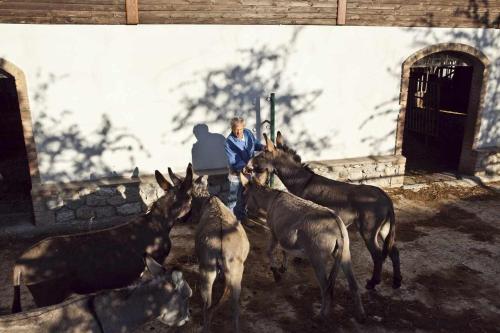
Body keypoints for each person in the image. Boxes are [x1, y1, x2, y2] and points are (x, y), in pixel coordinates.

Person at [224, 117, 263, 225]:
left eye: (240, 129)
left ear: (244, 127)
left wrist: (263, 147)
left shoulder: (248, 133)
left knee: (245, 196)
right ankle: (230, 223)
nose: (238, 132)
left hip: (248, 173)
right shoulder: (228, 142)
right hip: (236, 174)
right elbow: (233, 160)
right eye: (236, 129)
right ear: (231, 128)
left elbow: (255, 144)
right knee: (234, 198)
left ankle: (242, 219)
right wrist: (245, 167)